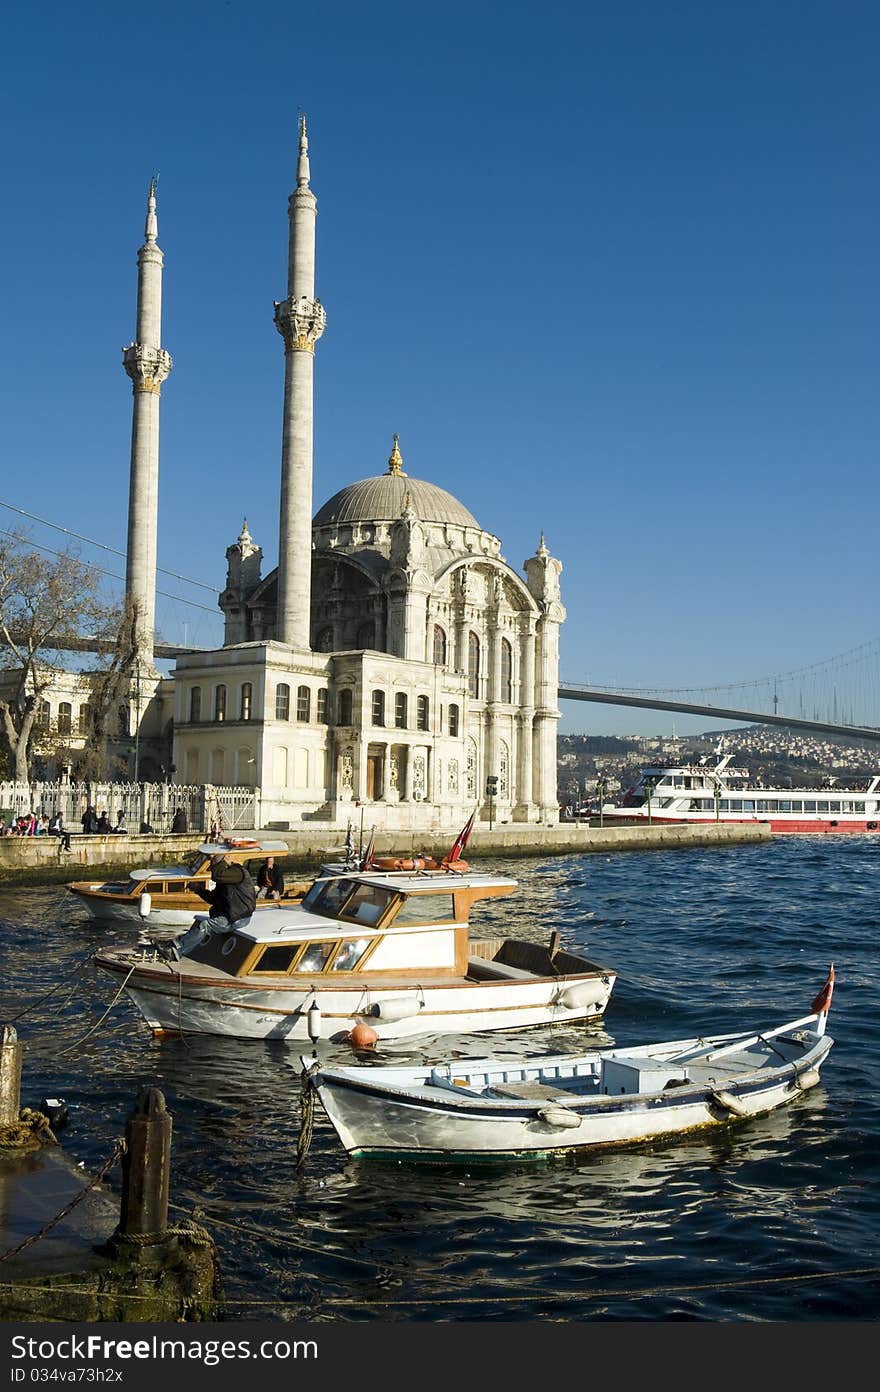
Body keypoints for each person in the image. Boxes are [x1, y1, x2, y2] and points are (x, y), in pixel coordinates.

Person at [175, 853, 256, 956]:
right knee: (203, 924)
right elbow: (214, 899)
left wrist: (221, 862)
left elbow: (218, 876)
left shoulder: (238, 872)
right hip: (230, 915)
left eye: (214, 867)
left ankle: (178, 951)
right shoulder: (225, 880)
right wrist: (199, 890)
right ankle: (178, 943)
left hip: (238, 918)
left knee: (204, 925)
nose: (213, 870)